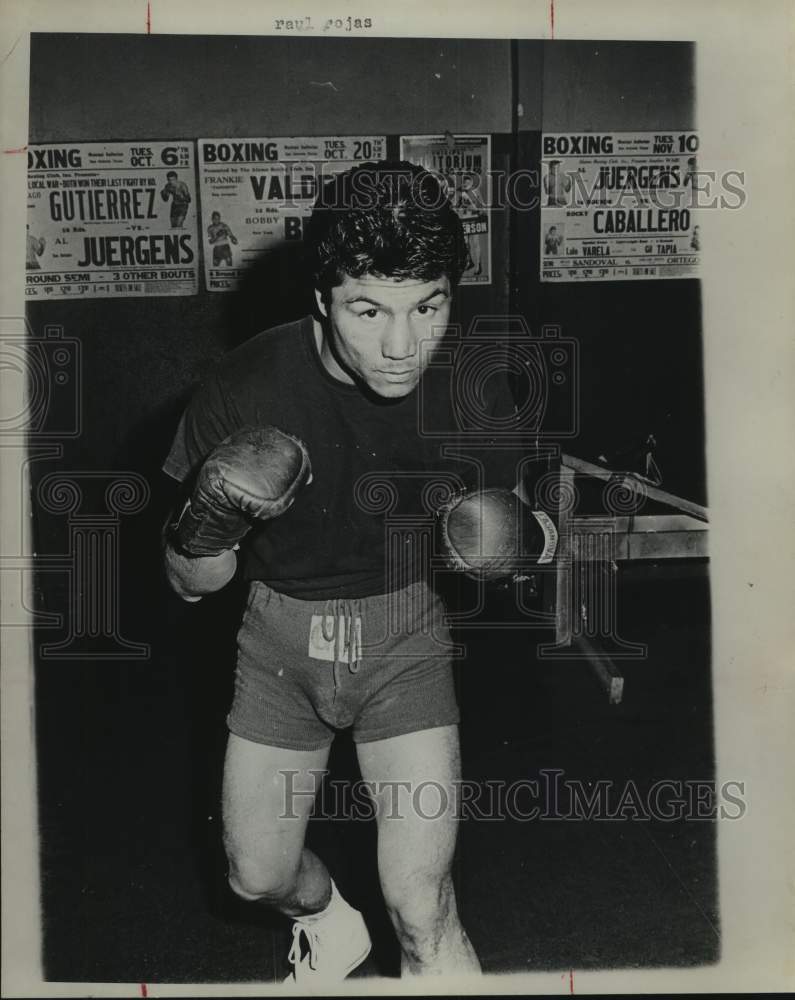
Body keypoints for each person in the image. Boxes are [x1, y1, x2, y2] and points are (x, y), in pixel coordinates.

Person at [161, 161, 556, 984]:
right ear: (321, 298)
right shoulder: (241, 387)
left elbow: (532, 530)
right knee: (258, 876)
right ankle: (326, 921)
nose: (401, 344)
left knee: (421, 902)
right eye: (368, 310)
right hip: (278, 643)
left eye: (428, 307)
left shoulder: (474, 383)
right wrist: (209, 517)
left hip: (403, 639)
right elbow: (188, 584)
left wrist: (523, 540)